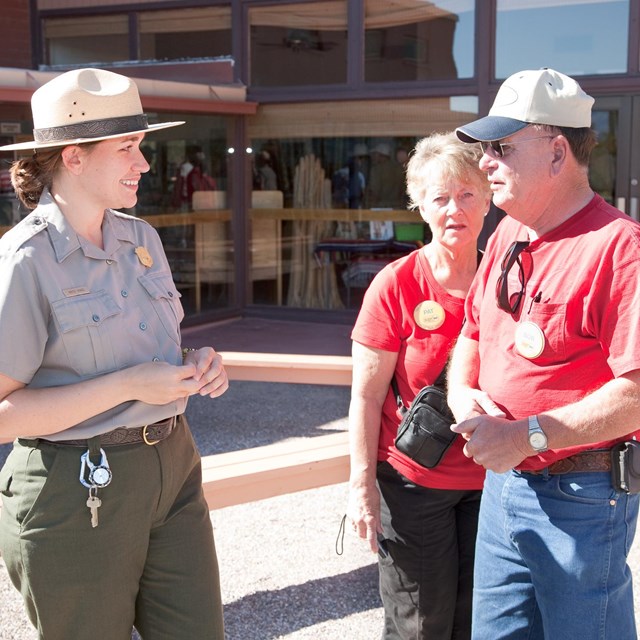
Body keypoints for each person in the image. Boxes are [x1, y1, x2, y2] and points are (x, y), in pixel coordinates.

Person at [0, 68, 228, 639]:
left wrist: (196, 362)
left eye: (142, 147)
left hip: (174, 465)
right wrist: (130, 385)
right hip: (74, 489)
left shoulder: (141, 240)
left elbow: (158, 351)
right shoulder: (25, 261)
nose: (144, 164)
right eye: (127, 148)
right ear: (73, 158)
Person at [448, 68, 640, 639]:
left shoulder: (619, 248)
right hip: (504, 483)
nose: (485, 162)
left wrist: (525, 435)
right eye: (486, 148)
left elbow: (635, 396)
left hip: (580, 494)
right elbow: (472, 333)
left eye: (502, 147)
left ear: (558, 153)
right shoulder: (509, 232)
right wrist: (461, 393)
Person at [346, 132, 492, 639]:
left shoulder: (508, 280)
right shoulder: (397, 283)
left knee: (481, 621)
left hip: (492, 484)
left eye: (468, 194)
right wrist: (361, 488)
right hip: (413, 486)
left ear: (489, 197)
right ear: (420, 207)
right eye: (441, 197)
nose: (456, 208)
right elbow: (365, 396)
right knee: (420, 625)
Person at [365, 142, 406, 210]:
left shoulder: (376, 169)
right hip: (397, 207)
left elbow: (375, 192)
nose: (373, 156)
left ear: (381, 155)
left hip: (380, 207)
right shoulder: (399, 168)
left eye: (375, 154)